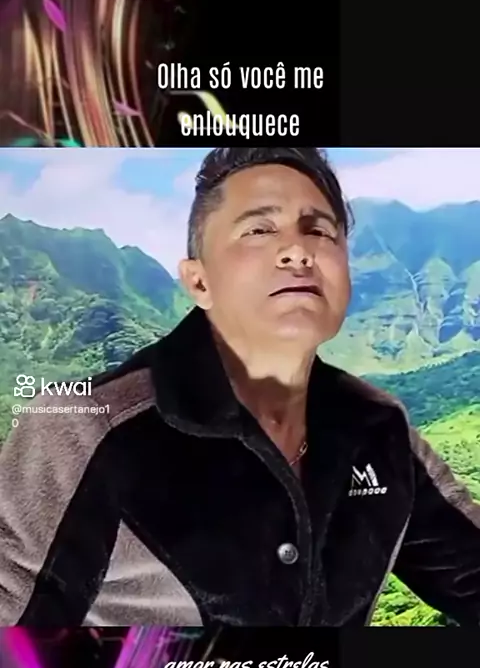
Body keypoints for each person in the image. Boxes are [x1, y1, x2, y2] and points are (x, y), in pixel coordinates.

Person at [0, 146, 479, 627]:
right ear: (199, 282)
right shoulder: (83, 431)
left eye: (319, 231)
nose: (298, 250)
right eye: (258, 229)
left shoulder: (379, 426)